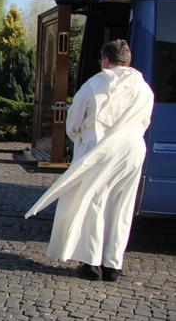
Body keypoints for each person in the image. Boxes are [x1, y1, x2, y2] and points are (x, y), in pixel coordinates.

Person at [26, 40, 155, 282]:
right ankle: (113, 264)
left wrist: (78, 139)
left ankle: (92, 263)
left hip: (100, 146)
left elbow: (73, 120)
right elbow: (145, 121)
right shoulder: (144, 88)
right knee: (122, 204)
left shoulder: (95, 84)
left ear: (105, 60)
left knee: (94, 201)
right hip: (133, 147)